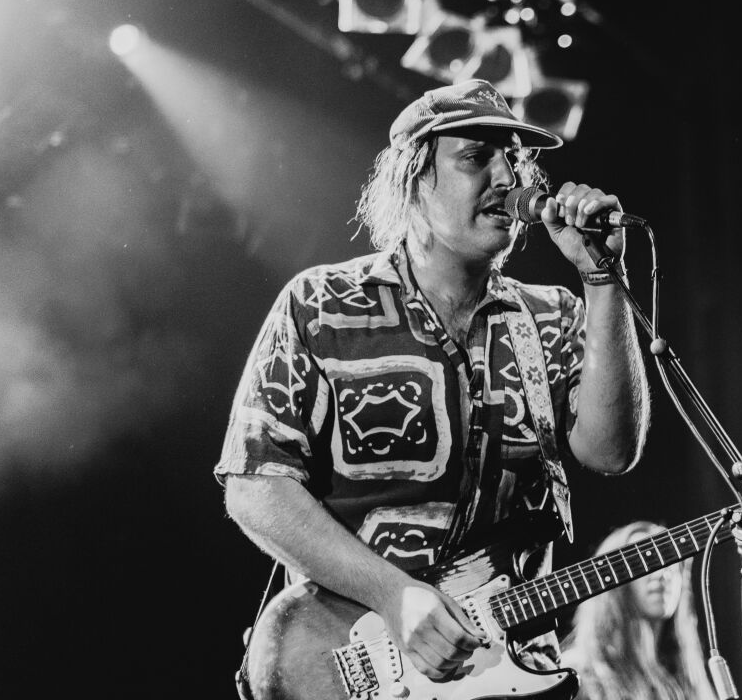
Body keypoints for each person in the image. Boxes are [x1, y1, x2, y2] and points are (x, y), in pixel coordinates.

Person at [215, 78, 649, 684]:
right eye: (476, 158)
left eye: (515, 159)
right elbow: (256, 484)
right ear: (413, 181)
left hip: (516, 670)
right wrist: (393, 595)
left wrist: (602, 278)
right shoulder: (321, 306)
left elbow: (610, 452)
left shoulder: (550, 316)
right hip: (363, 669)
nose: (508, 178)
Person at [562, 521, 717, 700]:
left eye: (670, 562)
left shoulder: (688, 674)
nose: (661, 574)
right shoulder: (578, 672)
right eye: (646, 563)